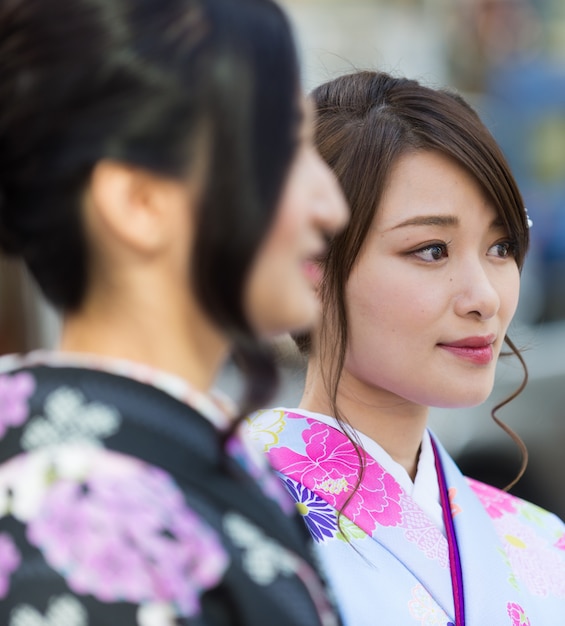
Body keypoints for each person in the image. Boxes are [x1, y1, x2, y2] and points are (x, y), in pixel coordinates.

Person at [0, 1, 348, 624]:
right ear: (139, 201)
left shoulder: (143, 458)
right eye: (287, 147)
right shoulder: (80, 505)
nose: (332, 205)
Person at [249, 70, 565, 625]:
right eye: (431, 250)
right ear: (309, 267)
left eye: (501, 246)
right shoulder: (231, 522)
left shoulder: (543, 545)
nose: (485, 297)